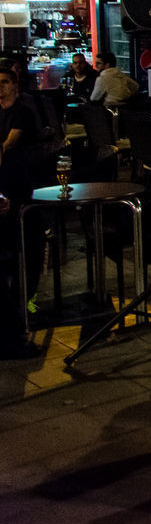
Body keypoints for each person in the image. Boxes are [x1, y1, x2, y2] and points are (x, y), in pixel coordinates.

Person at [0, 67, 41, 360]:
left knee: (25, 245)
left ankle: (24, 302)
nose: (0, 88)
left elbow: (8, 146)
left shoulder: (23, 112)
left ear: (15, 85)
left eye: (3, 83)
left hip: (19, 182)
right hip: (5, 186)